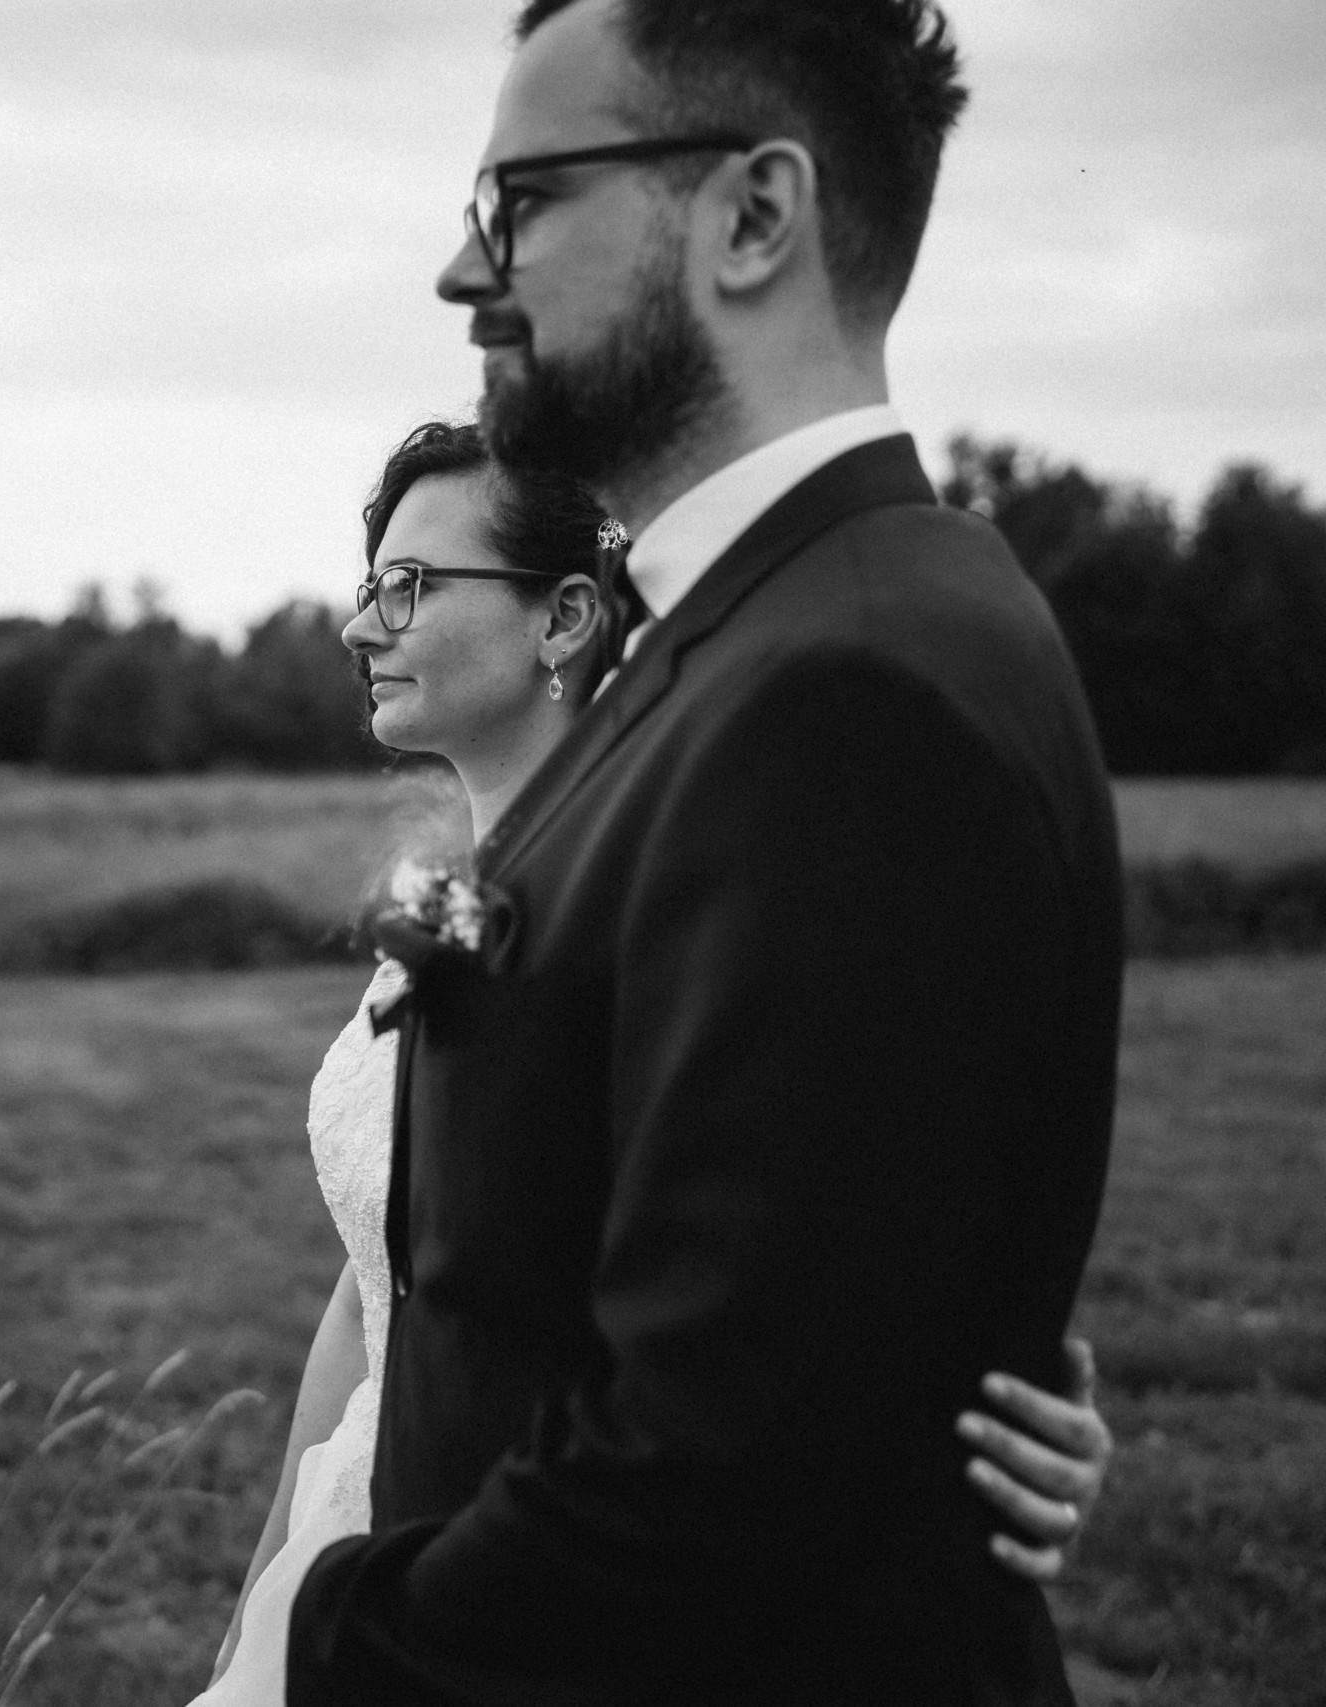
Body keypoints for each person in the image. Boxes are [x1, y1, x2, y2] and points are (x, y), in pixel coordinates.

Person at [285, 0, 1127, 1698]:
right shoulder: (785, 626)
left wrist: (337, 1642)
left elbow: (717, 1476)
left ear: (755, 216)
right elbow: (804, 1276)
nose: (466, 270)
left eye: (523, 199)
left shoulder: (848, 686)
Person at [183, 423, 1114, 1707]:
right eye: (368, 585)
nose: (359, 625)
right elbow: (372, 1290)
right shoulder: (449, 915)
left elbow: (794, 1278)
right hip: (359, 1535)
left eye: (408, 587)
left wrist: (977, 1412)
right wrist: (272, 1582)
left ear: (565, 617)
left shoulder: (681, 903)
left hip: (550, 1587)